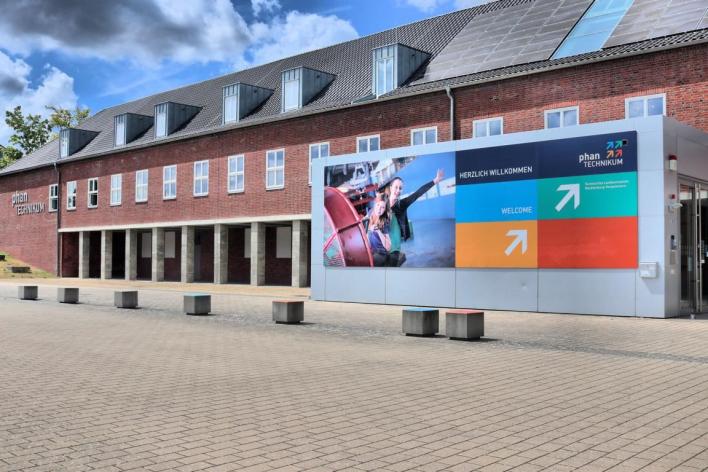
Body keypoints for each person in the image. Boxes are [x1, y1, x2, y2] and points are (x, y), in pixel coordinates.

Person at [380, 168, 444, 266]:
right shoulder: (383, 203)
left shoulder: (403, 204)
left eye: (400, 188)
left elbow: (417, 193)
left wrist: (435, 180)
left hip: (394, 244)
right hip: (381, 243)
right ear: (391, 187)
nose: (398, 190)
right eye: (396, 187)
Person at [367, 194, 392, 267]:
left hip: (381, 253)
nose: (379, 209)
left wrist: (379, 231)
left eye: (382, 207)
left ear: (385, 210)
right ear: (375, 204)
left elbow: (388, 247)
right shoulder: (371, 213)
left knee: (370, 264)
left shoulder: (385, 221)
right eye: (378, 205)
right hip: (371, 250)